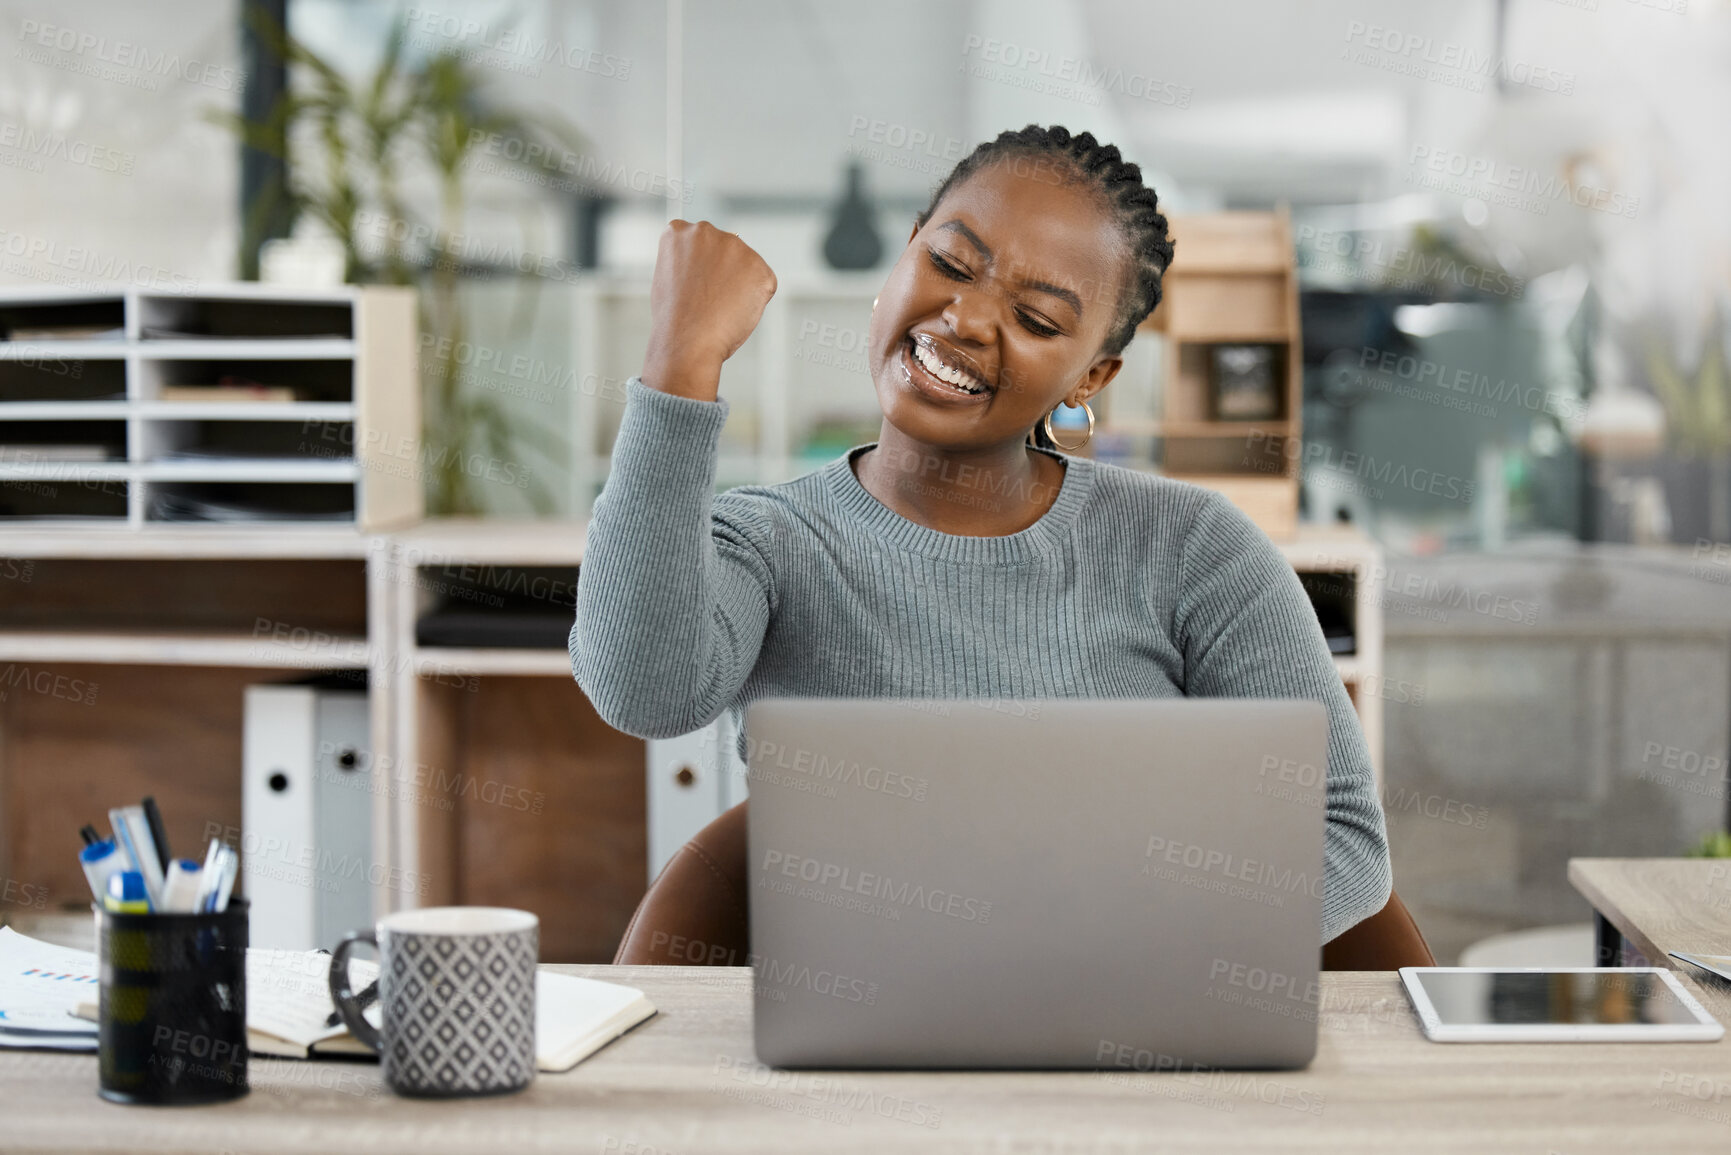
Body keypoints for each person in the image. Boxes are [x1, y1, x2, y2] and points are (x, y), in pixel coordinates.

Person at [570, 124, 1391, 942]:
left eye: (1035, 318)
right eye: (950, 265)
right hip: (862, 1046)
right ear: (907, 249)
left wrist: (1110, 945)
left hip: (1129, 1042)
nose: (965, 319)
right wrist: (680, 359)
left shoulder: (1193, 549)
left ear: (1091, 374)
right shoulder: (769, 541)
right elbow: (643, 690)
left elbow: (1340, 835)